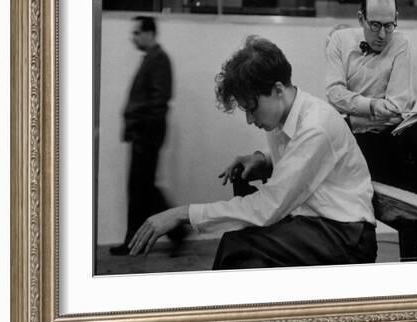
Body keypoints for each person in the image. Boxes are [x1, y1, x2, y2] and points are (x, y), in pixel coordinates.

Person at [128, 36, 377, 270]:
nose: (249, 119)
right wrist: (265, 161)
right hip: (316, 220)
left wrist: (183, 214)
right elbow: (307, 164)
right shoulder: (288, 116)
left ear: (278, 90)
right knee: (238, 242)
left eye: (252, 108)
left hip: (346, 235)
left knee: (238, 247)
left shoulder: (315, 125)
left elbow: (269, 207)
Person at [325, 0, 417, 184]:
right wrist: (373, 105)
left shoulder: (403, 44)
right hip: (342, 142)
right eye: (375, 25)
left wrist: (349, 120)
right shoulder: (339, 40)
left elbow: (395, 112)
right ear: (361, 19)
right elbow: (334, 93)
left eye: (389, 26)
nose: (382, 35)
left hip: (383, 146)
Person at [110, 16, 181, 255]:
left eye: (137, 33)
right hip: (143, 135)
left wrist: (143, 133)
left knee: (144, 189)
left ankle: (177, 231)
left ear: (150, 33)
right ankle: (137, 240)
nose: (134, 37)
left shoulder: (159, 60)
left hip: (147, 136)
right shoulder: (151, 59)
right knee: (141, 189)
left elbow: (159, 101)